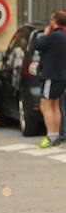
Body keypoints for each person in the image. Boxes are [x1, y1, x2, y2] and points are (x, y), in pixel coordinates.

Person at [32, 10, 66, 148]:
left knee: (45, 105)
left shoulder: (53, 36)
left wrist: (45, 33)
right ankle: (56, 135)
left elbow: (36, 45)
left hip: (51, 75)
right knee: (56, 105)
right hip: (61, 75)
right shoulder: (63, 35)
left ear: (54, 21)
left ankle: (50, 136)